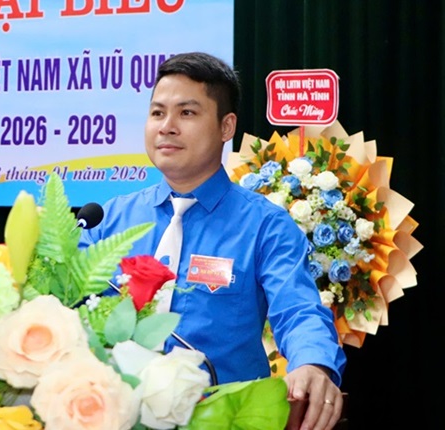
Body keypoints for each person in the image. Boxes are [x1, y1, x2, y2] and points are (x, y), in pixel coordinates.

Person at [79, 52, 346, 430]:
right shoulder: (109, 220)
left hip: (225, 418)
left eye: (186, 113)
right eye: (157, 113)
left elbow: (297, 310)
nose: (167, 127)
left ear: (226, 126)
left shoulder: (265, 226)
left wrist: (312, 364)